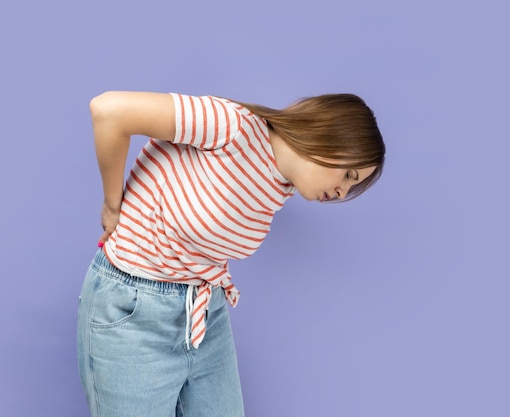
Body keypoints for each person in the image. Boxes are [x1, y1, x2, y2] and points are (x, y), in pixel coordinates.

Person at [77, 91, 386, 417]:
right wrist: (113, 205)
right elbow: (108, 110)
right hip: (134, 309)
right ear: (328, 136)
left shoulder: (281, 185)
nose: (342, 192)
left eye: (352, 187)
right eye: (348, 176)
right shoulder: (231, 126)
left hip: (205, 310)